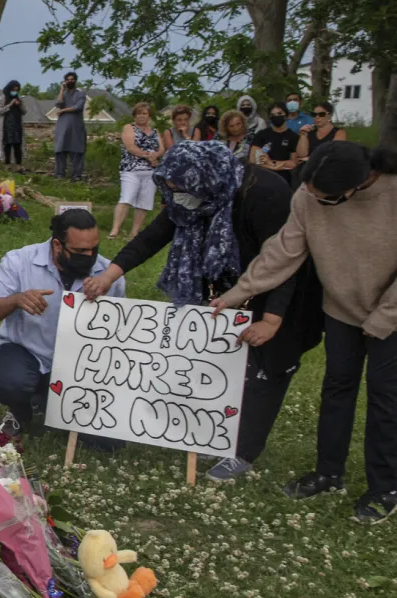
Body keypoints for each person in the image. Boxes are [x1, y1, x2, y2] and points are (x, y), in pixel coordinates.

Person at [85, 141, 322, 482]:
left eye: (179, 188)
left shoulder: (265, 194)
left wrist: (272, 319)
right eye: (170, 188)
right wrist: (111, 273)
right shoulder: (191, 193)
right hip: (224, 290)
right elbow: (154, 235)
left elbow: (286, 259)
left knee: (264, 370)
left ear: (204, 179)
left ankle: (243, 450)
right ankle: (214, 434)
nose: (175, 195)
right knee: (219, 363)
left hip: (282, 292)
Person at [213, 142, 397, 522]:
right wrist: (236, 294)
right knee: (337, 388)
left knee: (385, 398)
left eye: (323, 198)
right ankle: (328, 472)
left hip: (391, 315)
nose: (313, 201)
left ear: (354, 186)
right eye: (309, 192)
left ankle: (385, 488)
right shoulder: (308, 197)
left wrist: (382, 320)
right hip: (341, 309)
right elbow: (282, 252)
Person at [0, 209, 124, 432]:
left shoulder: (108, 275)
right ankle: (20, 408)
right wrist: (16, 300)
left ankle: (47, 400)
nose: (90, 256)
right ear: (57, 245)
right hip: (25, 350)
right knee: (14, 384)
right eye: (80, 251)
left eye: (94, 248)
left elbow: (119, 336)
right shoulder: (20, 261)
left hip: (80, 363)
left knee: (106, 443)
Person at [109, 102, 164, 240]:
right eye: (139, 113)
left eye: (144, 113)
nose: (141, 116)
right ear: (134, 115)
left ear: (149, 115)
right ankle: (114, 231)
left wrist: (156, 156)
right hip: (131, 169)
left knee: (144, 202)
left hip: (150, 171)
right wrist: (148, 156)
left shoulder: (155, 132)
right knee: (126, 198)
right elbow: (130, 147)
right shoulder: (129, 128)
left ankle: (134, 233)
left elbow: (161, 149)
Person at [251, 103, 300, 184]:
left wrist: (271, 162)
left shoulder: (293, 137)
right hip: (262, 178)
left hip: (284, 181)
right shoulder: (261, 134)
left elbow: (293, 163)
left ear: (286, 115)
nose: (276, 116)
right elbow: (253, 160)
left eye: (280, 113)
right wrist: (275, 167)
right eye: (273, 114)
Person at [53, 71, 87, 181]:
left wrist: (64, 110)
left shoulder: (80, 93)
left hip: (76, 126)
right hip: (62, 126)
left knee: (76, 150)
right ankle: (60, 174)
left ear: (75, 81)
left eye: (72, 79)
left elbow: (78, 107)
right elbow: (59, 104)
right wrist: (62, 90)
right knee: (60, 150)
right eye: (68, 79)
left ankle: (76, 176)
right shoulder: (64, 93)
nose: (70, 81)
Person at [0, 80, 25, 167]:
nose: (15, 92)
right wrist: (10, 104)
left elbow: (24, 111)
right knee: (7, 145)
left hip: (17, 125)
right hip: (6, 125)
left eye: (17, 90)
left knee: (17, 145)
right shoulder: (2, 98)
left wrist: (19, 104)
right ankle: (7, 165)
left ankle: (19, 165)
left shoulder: (19, 98)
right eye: (13, 90)